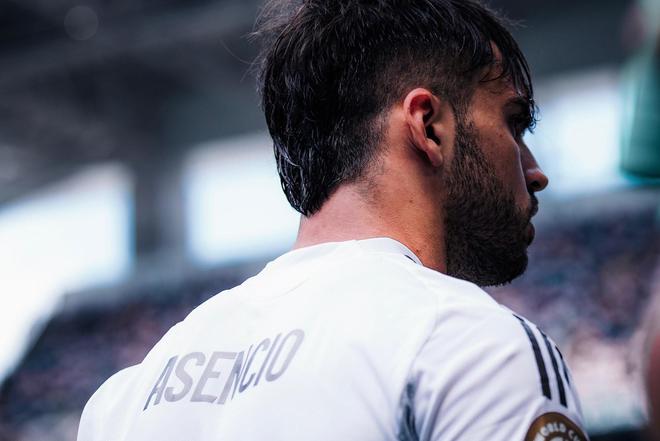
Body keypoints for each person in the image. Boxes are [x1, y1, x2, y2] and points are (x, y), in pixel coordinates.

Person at [77, 0, 589, 439]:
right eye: (513, 123)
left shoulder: (122, 403)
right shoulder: (471, 347)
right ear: (428, 125)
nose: (535, 171)